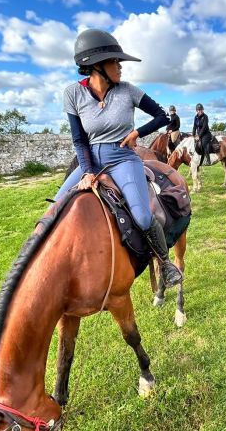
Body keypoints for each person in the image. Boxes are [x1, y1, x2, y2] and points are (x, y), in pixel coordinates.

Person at [55, 29, 182, 287]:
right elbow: (79, 139)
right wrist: (88, 171)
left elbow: (161, 117)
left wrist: (137, 132)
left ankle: (165, 264)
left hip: (124, 158)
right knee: (54, 209)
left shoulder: (128, 91)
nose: (120, 67)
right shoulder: (73, 94)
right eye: (115, 62)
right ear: (96, 66)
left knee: (144, 217)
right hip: (91, 161)